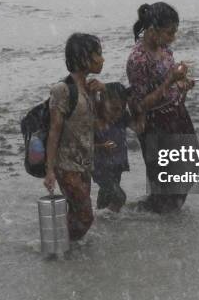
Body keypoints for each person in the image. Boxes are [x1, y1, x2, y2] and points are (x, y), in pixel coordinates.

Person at [126, 2, 199, 213]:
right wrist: (170, 81)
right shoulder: (138, 60)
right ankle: (153, 217)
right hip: (156, 124)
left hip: (177, 114)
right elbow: (141, 105)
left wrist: (183, 82)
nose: (172, 38)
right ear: (152, 30)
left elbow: (171, 82)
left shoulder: (164, 49)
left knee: (190, 165)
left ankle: (164, 213)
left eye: (174, 32)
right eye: (169, 33)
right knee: (165, 178)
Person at [43, 33, 105, 241]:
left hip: (84, 163)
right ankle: (61, 245)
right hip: (66, 165)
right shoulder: (63, 90)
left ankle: (63, 247)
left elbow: (95, 124)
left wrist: (99, 95)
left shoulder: (88, 89)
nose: (102, 59)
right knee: (86, 215)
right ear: (84, 58)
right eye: (98, 54)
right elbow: (54, 131)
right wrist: (50, 170)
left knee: (78, 211)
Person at [92, 82, 143, 212]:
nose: (118, 113)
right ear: (102, 101)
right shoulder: (95, 118)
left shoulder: (123, 116)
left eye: (122, 108)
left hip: (117, 164)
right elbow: (83, 145)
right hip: (100, 167)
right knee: (119, 197)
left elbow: (138, 128)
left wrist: (138, 109)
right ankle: (108, 215)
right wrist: (101, 146)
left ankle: (100, 217)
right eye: (114, 109)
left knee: (106, 194)